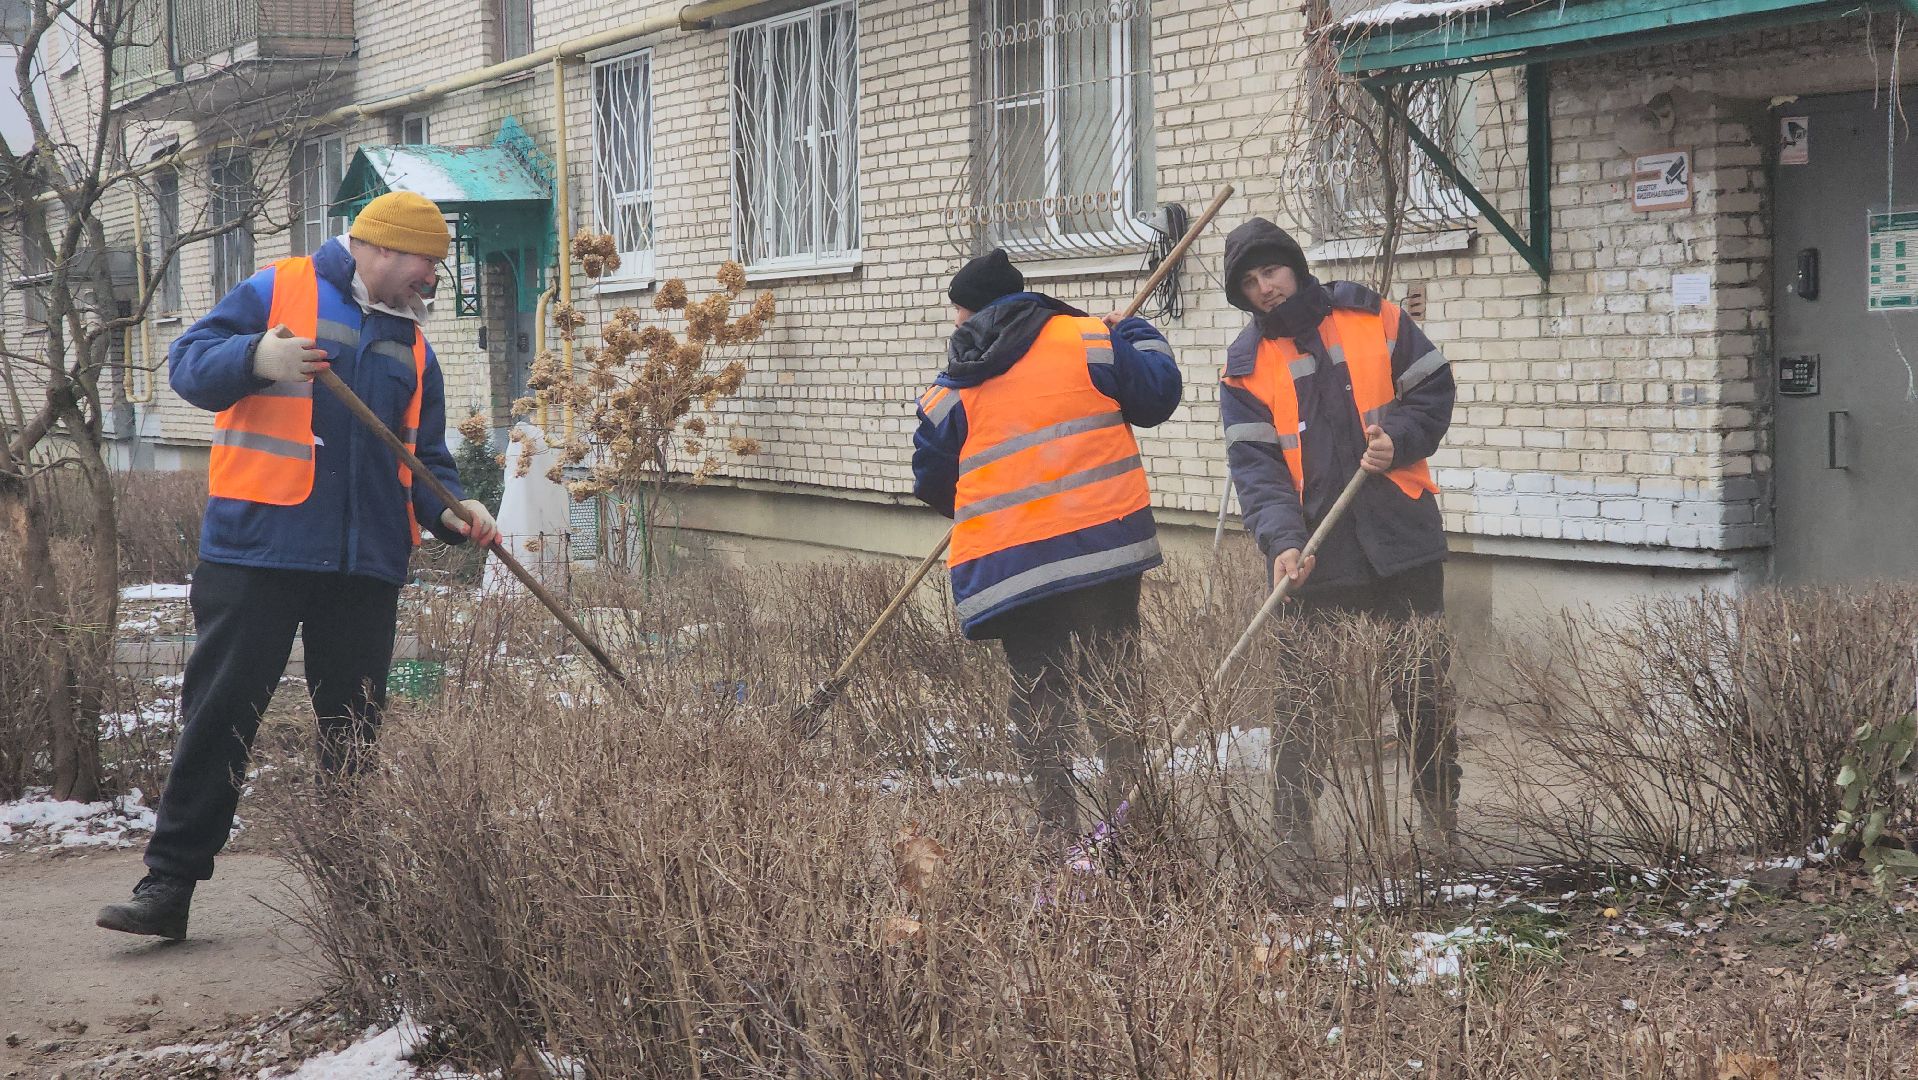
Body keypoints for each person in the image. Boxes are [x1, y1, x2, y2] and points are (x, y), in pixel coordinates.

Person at [97, 191, 498, 940]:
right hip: (259, 551)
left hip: (364, 566)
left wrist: (452, 510)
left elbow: (423, 460)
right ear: (380, 249)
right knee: (219, 718)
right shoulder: (277, 289)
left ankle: (352, 898)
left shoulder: (414, 346)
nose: (433, 280)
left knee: (353, 732)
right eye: (425, 264)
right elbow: (188, 366)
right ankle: (168, 887)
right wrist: (257, 356)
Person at [911, 248, 1181, 838]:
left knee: (1040, 699)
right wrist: (1134, 332)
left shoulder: (951, 390)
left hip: (1015, 571)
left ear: (973, 312)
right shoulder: (1088, 340)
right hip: (1102, 556)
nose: (955, 325)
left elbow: (932, 480)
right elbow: (1159, 395)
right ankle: (1135, 828)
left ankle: (1055, 832)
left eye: (958, 313)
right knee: (1112, 685)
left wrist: (991, 506)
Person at [1216, 217, 1459, 849]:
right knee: (1304, 705)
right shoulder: (1245, 368)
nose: (1264, 288)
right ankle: (1293, 838)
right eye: (1248, 282)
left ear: (1293, 265)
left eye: (1270, 271)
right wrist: (1282, 542)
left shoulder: (1368, 314)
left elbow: (1432, 389)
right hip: (1318, 551)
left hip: (1400, 531)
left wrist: (1399, 440)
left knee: (1422, 687)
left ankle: (1439, 822)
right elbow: (1258, 471)